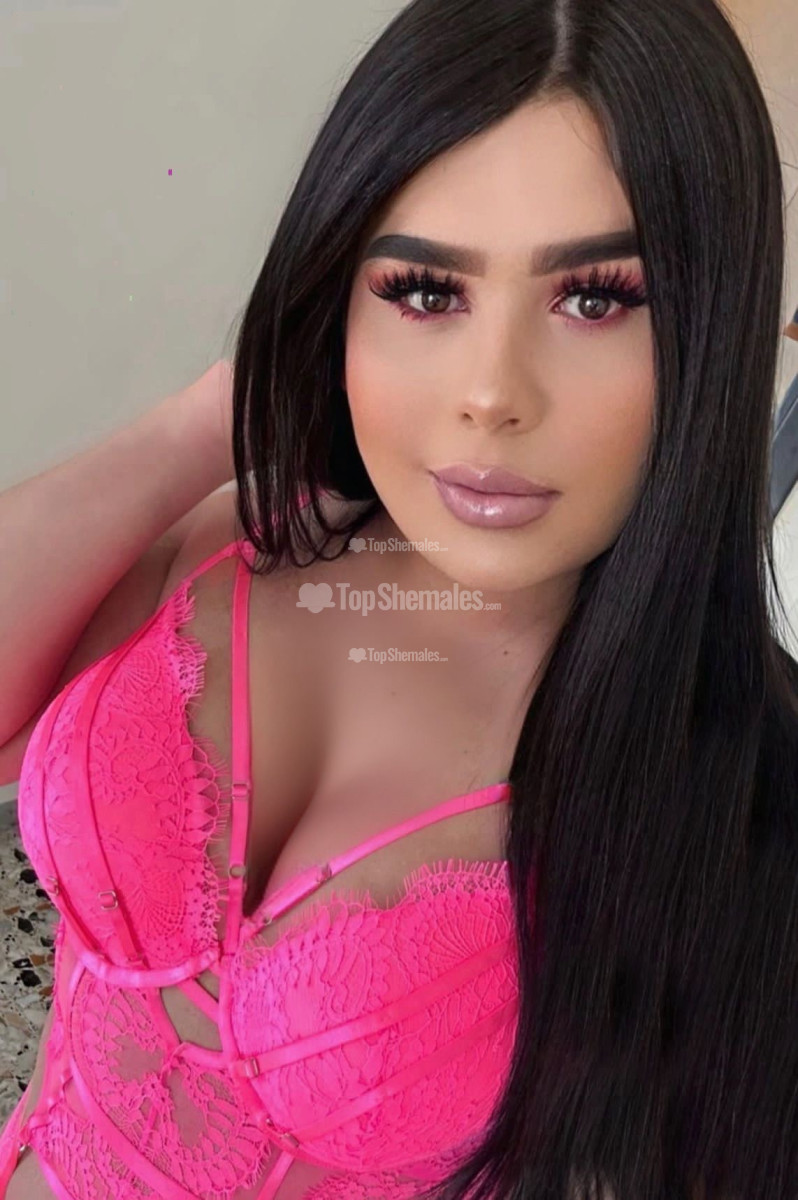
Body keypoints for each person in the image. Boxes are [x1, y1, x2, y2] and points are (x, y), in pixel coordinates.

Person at [0, 0, 795, 1197]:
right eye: (425, 290)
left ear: (715, 330)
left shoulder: (731, 808)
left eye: (594, 298)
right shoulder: (250, 535)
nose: (491, 392)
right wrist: (199, 424)